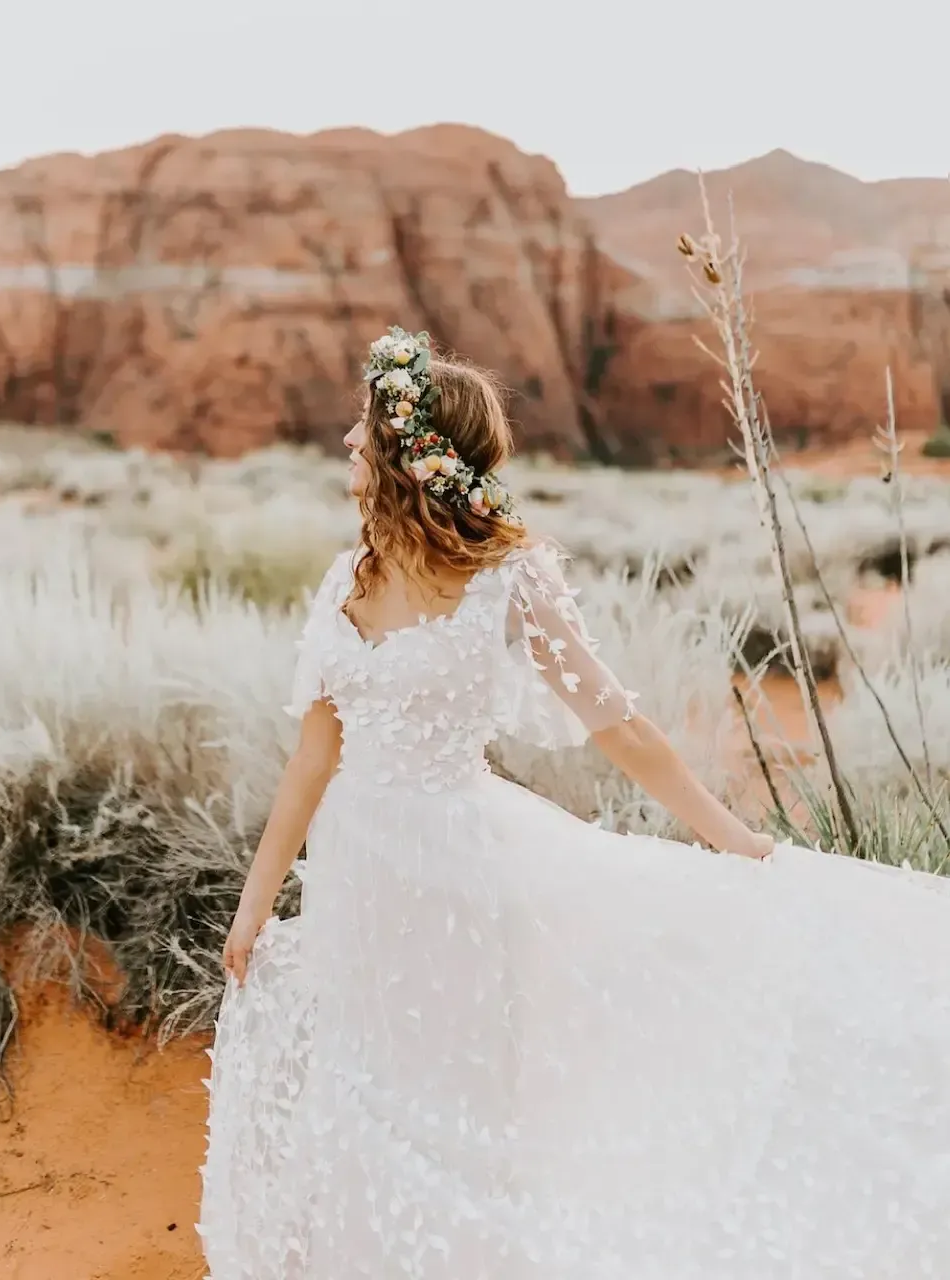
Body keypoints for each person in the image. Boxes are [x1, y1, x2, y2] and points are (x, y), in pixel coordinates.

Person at [198, 328, 950, 1279]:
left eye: (364, 426)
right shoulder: (345, 581)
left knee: (463, 1087)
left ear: (409, 451)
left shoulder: (508, 581)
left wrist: (732, 839)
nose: (349, 442)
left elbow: (618, 726)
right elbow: (312, 760)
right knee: (369, 1076)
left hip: (465, 867)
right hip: (360, 871)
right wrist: (256, 902)